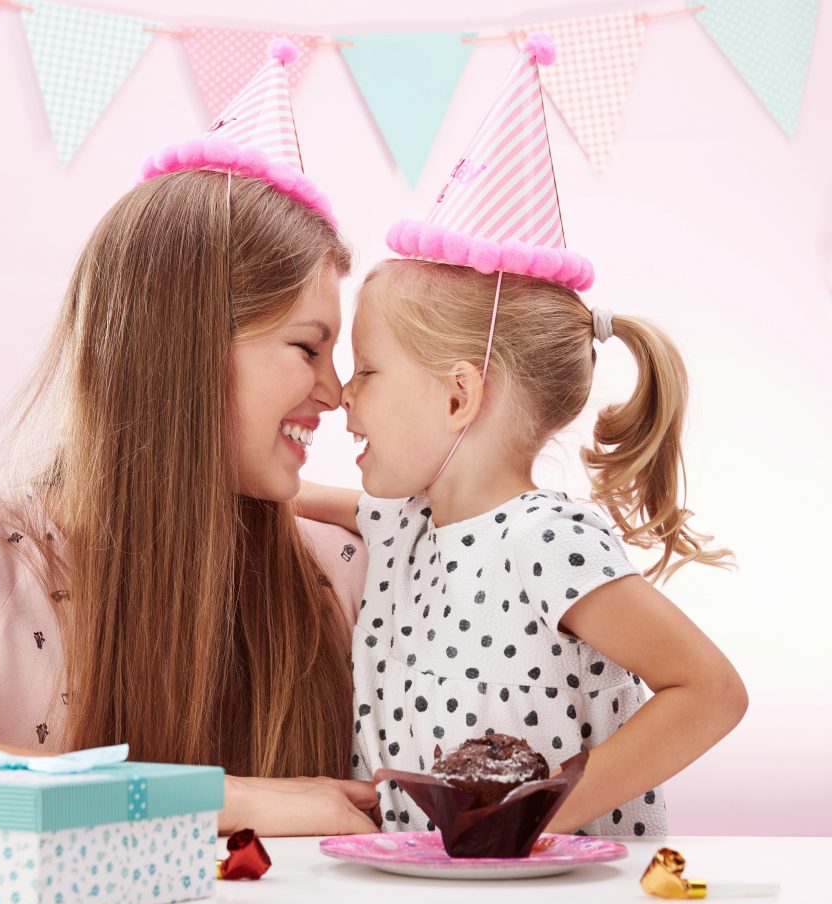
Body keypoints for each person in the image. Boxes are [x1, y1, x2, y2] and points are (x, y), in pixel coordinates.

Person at [0, 42, 380, 838]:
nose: (336, 394)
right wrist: (224, 798)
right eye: (307, 348)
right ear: (186, 349)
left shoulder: (336, 573)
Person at [307, 34, 747, 838]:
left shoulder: (550, 542)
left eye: (366, 371)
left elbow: (710, 690)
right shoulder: (401, 524)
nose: (341, 398)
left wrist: (534, 817)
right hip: (427, 895)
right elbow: (281, 490)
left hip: (554, 903)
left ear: (458, 396)